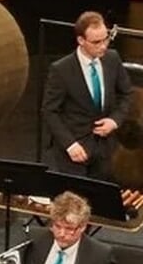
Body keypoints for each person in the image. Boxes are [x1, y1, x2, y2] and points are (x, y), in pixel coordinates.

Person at [40, 11, 131, 180]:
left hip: (105, 149)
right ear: (81, 40)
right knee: (76, 195)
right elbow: (49, 111)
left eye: (106, 39)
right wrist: (70, 145)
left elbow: (126, 94)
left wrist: (114, 120)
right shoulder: (61, 70)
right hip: (75, 150)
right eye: (96, 42)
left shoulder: (112, 59)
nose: (103, 46)